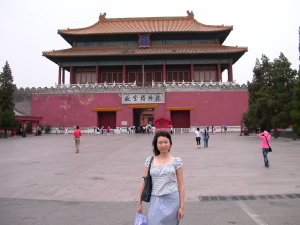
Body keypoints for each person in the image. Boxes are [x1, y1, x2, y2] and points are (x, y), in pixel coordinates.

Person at [137, 130, 185, 225]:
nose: (163, 145)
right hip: (156, 199)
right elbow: (144, 182)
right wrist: (139, 203)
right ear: (156, 144)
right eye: (160, 142)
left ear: (170, 144)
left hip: (172, 200)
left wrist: (182, 207)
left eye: (166, 142)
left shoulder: (176, 161)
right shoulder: (150, 160)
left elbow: (181, 186)